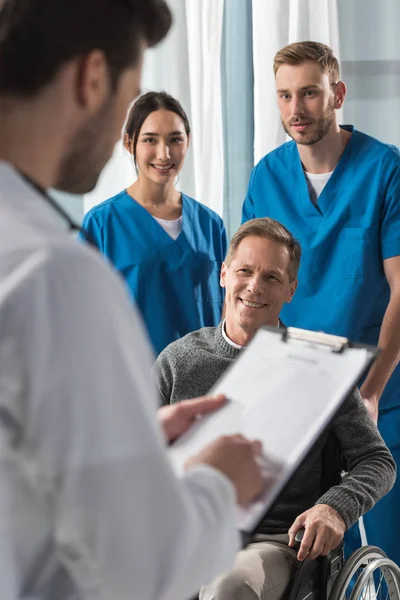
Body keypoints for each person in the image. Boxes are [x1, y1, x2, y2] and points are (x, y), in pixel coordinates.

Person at [0, 2, 265, 599]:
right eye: (132, 92)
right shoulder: (57, 274)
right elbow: (138, 564)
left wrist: (136, 433)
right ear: (93, 79)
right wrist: (218, 486)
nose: (162, 151)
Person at [155, 218, 396, 600]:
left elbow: (378, 461)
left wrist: (334, 508)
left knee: (226, 586)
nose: (254, 287)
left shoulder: (319, 366)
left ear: (290, 290)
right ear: (223, 274)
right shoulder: (178, 361)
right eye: (245, 271)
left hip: (275, 541)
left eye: (271, 277)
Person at [241, 41, 400, 566]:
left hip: (378, 392)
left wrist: (371, 392)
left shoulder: (384, 170)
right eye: (285, 95)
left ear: (338, 94)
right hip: (296, 397)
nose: (296, 109)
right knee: (301, 557)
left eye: (309, 93)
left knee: (386, 548)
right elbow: (251, 291)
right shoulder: (267, 176)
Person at [81, 91, 227, 355]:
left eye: (175, 139)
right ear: (129, 143)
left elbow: (224, 313)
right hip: (132, 381)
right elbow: (82, 319)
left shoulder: (211, 225)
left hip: (202, 382)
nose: (164, 153)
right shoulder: (102, 224)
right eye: (150, 140)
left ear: (188, 141)